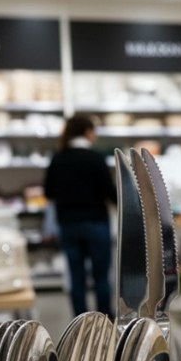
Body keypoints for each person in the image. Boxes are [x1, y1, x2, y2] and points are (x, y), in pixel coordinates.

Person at [44, 115, 116, 318]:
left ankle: (79, 322)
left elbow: (48, 192)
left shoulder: (58, 158)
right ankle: (104, 320)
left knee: (76, 276)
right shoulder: (96, 158)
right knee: (101, 275)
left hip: (68, 224)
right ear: (87, 132)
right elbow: (110, 193)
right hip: (96, 223)